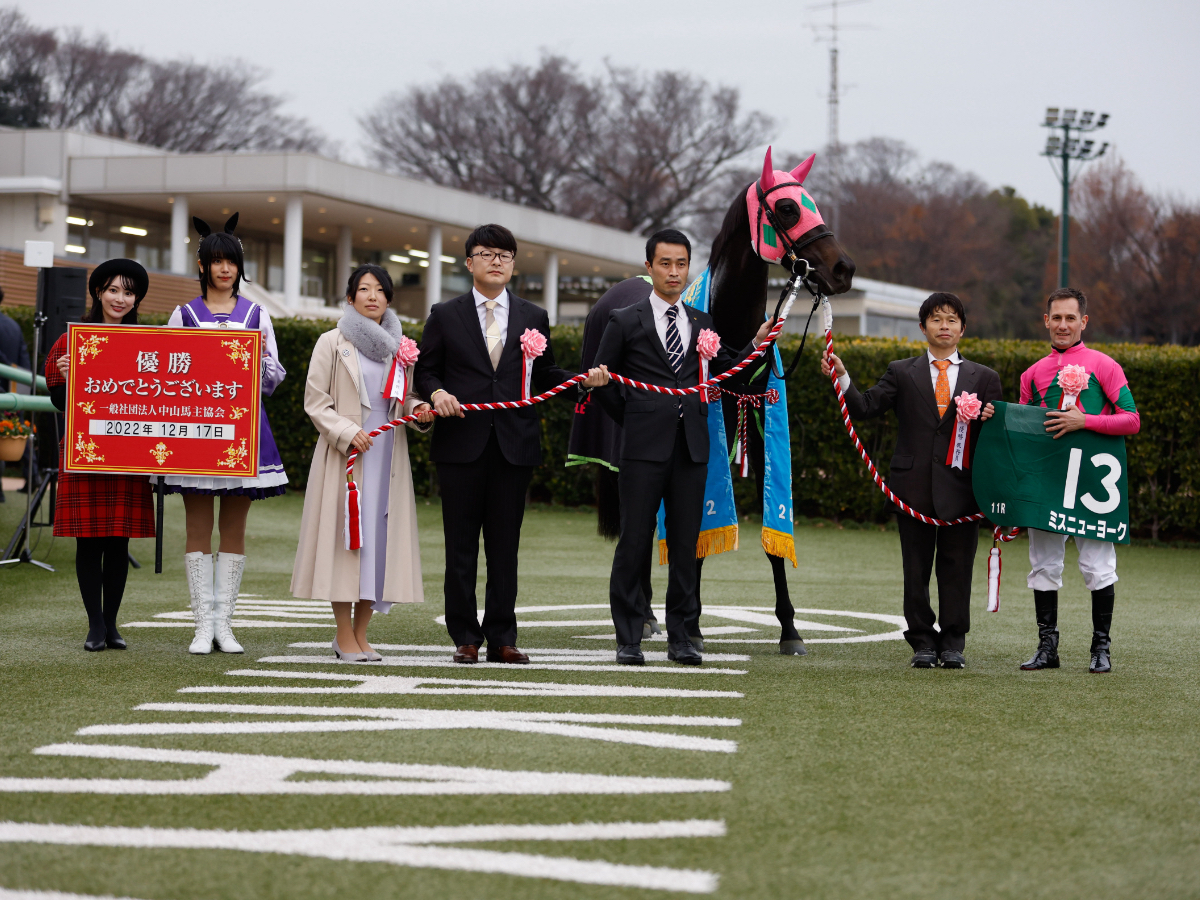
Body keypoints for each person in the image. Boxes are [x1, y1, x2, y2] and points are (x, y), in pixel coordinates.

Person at [414, 223, 609, 665]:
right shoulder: (445, 314)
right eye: (486, 253)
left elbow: (545, 375)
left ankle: (503, 635)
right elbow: (426, 372)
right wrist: (437, 393)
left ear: (514, 264)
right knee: (460, 545)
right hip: (460, 445)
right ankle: (465, 636)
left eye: (504, 254)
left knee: (505, 546)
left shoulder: (532, 317)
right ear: (469, 263)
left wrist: (582, 381)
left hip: (514, 444)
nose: (496, 261)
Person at [593, 229, 773, 666]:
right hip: (640, 451)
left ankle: (682, 638)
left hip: (692, 451)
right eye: (665, 263)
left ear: (688, 267)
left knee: (686, 545)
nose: (674, 272)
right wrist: (639, 417)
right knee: (634, 540)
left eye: (681, 264)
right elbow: (604, 387)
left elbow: (728, 373)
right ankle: (629, 636)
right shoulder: (624, 320)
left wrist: (758, 343)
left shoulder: (703, 324)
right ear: (650, 266)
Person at [822, 292, 1002, 669]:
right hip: (912, 487)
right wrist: (842, 376)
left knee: (957, 568)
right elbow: (866, 407)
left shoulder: (984, 378)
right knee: (915, 569)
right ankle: (922, 640)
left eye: (952, 320)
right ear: (923, 327)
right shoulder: (901, 371)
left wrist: (990, 417)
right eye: (936, 319)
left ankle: (953, 643)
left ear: (963, 329)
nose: (944, 326)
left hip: (963, 489)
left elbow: (996, 442)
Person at [981, 287, 1139, 674]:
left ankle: (1101, 649)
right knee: (1043, 564)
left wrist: (1083, 420)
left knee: (1098, 566)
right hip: (1047, 484)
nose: (1063, 325)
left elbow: (1131, 420)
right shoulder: (1032, 374)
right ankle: (1047, 649)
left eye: (1071, 318)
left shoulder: (1105, 365)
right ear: (1046, 320)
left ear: (1083, 322)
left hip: (1091, 485)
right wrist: (991, 418)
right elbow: (1024, 433)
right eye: (1057, 317)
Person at [291, 265, 435, 661]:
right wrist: (343, 431)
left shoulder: (399, 348)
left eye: (379, 291)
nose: (372, 296)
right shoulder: (331, 342)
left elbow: (401, 398)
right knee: (346, 544)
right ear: (350, 297)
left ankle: (360, 633)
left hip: (387, 455)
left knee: (377, 544)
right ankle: (342, 635)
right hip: (346, 459)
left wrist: (419, 407)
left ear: (389, 299)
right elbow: (315, 402)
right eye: (363, 289)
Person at [165, 214, 288, 656]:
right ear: (202, 266)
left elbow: (274, 376)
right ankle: (202, 625)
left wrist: (247, 363)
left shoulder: (257, 314)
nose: (223, 269)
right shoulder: (183, 314)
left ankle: (225, 625)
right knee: (197, 525)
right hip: (197, 435)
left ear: (239, 267)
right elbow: (165, 375)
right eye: (215, 261)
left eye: (230, 261)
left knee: (234, 528)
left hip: (243, 431)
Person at [44, 259, 155, 651]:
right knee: (88, 541)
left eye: (128, 292)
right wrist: (69, 376)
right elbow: (59, 402)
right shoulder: (70, 342)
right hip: (86, 452)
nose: (120, 298)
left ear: (136, 298)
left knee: (119, 542)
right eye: (113, 290)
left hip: (129, 453)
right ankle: (95, 625)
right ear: (97, 293)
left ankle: (112, 624)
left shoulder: (150, 345)